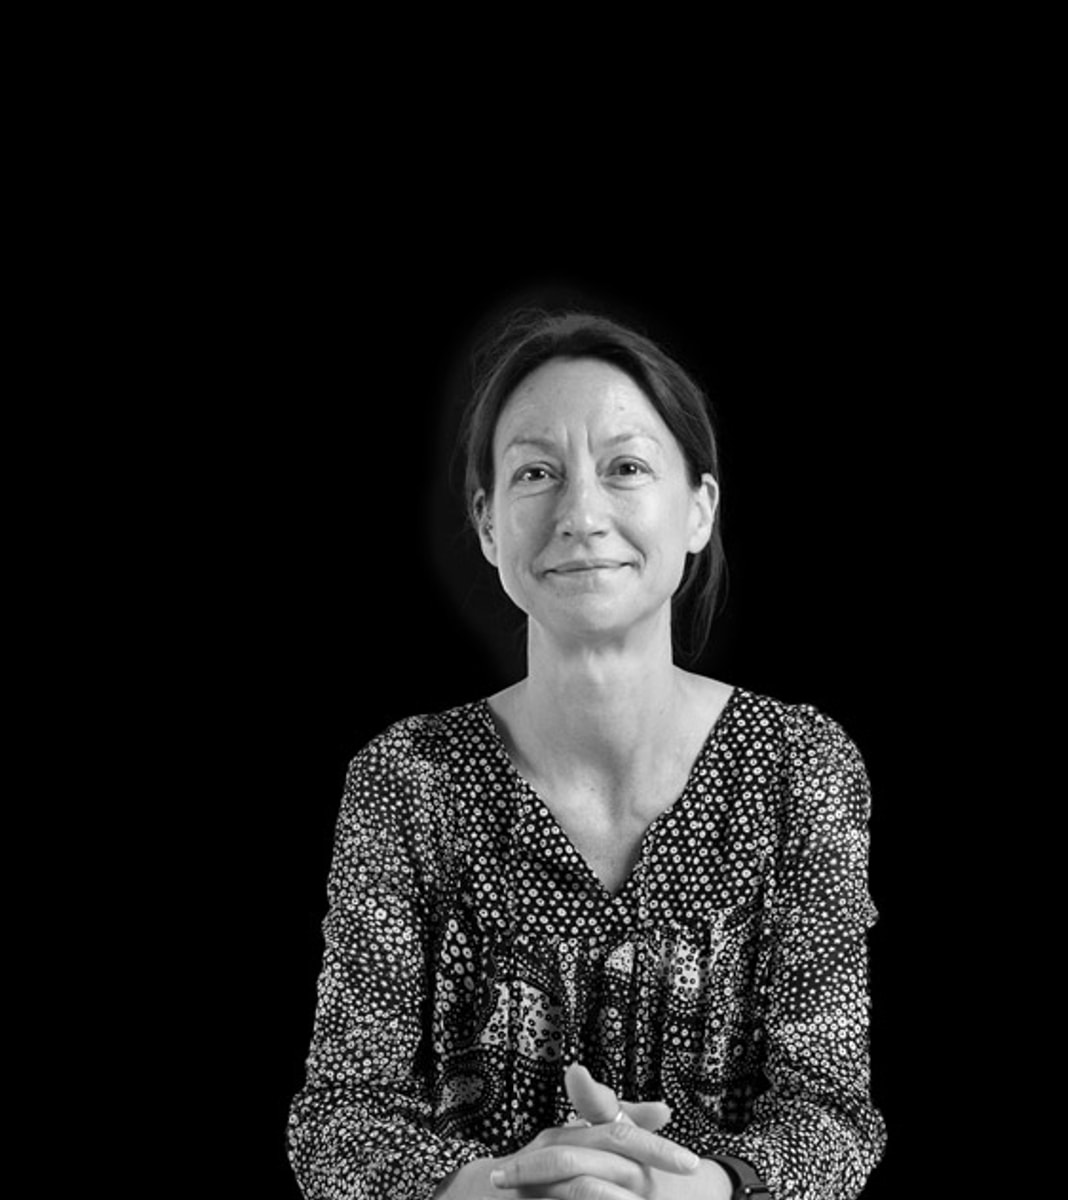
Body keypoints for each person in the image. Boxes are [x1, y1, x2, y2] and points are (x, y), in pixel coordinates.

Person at [287, 311, 886, 1199]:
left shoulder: (802, 765)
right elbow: (338, 1121)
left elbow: (832, 1114)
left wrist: (697, 1187)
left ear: (699, 510)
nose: (580, 515)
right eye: (537, 473)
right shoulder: (407, 777)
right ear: (488, 525)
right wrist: (511, 1185)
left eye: (626, 468)